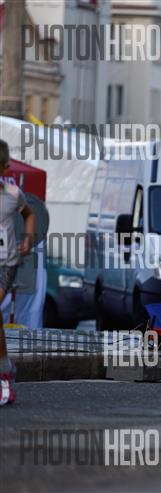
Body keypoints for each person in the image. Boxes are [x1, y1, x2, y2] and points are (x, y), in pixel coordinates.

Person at [0, 139, 36, 406]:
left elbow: (30, 215)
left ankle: (4, 376)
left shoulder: (13, 194)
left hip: (6, 263)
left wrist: (27, 239)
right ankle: (5, 368)